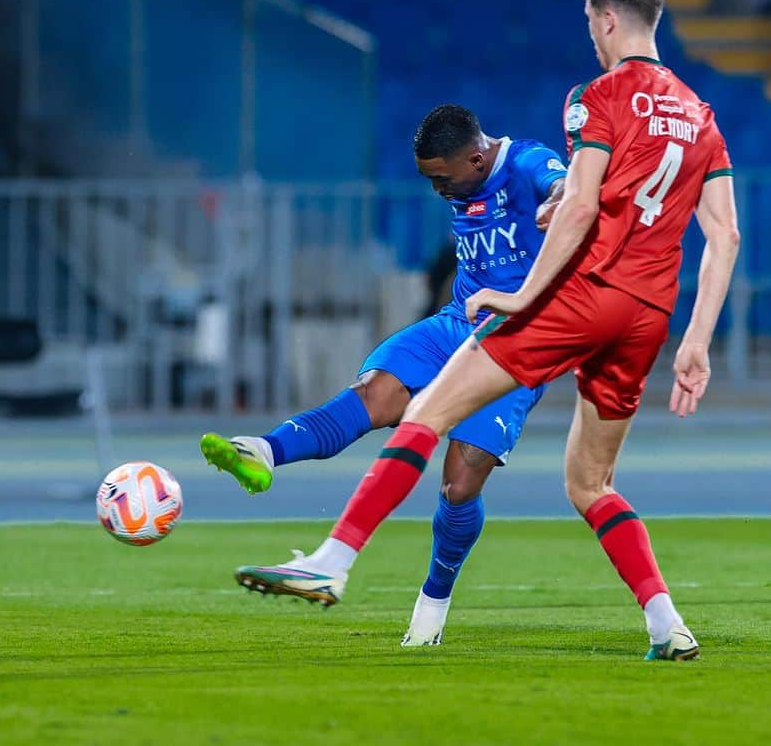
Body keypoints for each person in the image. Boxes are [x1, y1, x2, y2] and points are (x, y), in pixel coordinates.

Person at [234, 0, 740, 661]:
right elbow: (725, 233)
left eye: (592, 24)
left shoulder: (595, 97)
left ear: (608, 18)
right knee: (590, 482)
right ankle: (667, 625)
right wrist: (698, 341)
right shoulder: (701, 114)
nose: (592, 36)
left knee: (425, 411)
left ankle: (332, 560)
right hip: (648, 318)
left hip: (586, 296)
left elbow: (583, 204)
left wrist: (524, 294)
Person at [201, 105, 567, 643]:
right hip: (452, 327)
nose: (438, 190)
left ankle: (432, 604)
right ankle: (264, 451)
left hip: (514, 345)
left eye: (442, 178)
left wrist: (561, 200)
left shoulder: (529, 161)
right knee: (374, 393)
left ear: (475, 156)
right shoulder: (461, 181)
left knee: (459, 486)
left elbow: (560, 182)